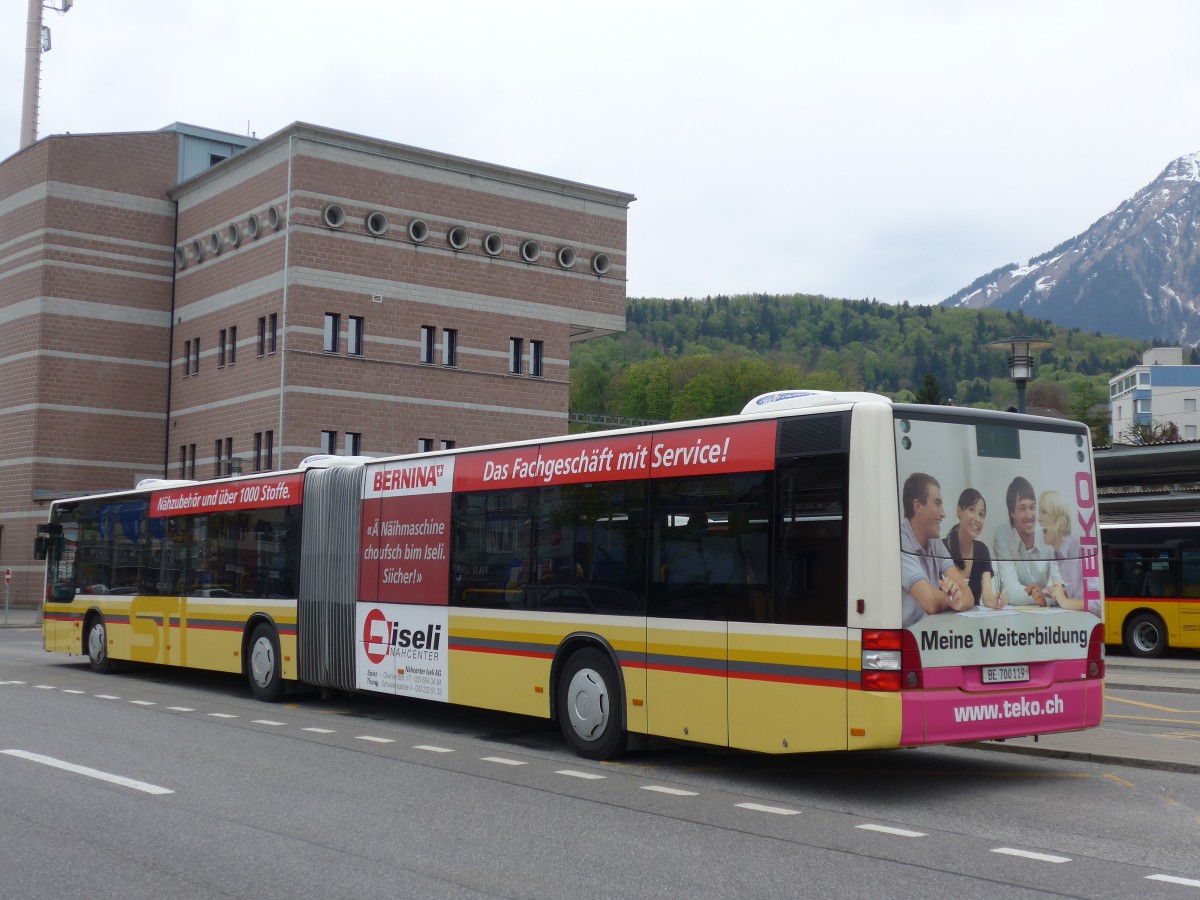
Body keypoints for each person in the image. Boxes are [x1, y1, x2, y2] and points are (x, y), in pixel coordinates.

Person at [900, 473, 974, 627]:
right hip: (907, 639)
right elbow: (930, 602)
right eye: (937, 503)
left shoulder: (934, 542)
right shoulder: (900, 541)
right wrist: (952, 598)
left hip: (930, 636)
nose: (944, 513)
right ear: (918, 505)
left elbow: (968, 595)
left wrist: (957, 597)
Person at [992, 477, 1068, 606]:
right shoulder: (1002, 535)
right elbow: (1012, 594)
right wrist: (1045, 594)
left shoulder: (1048, 534)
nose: (1029, 515)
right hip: (1015, 617)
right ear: (1012, 513)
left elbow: (1063, 589)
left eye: (1032, 507)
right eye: (1022, 508)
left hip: (1045, 614)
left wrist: (1052, 595)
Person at [1038, 490, 1101, 615]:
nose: (1038, 519)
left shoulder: (1080, 546)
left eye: (1043, 512)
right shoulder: (1059, 553)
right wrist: (1057, 593)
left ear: (1058, 518)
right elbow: (1078, 594)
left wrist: (1064, 601)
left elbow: (1097, 603)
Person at [944, 488, 1007, 609]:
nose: (977, 519)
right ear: (959, 511)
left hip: (974, 624)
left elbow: (987, 594)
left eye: (981, 514)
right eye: (972, 510)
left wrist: (995, 601)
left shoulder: (982, 550)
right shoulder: (940, 548)